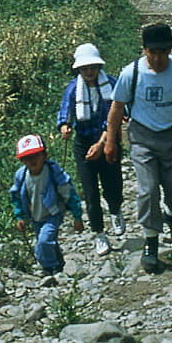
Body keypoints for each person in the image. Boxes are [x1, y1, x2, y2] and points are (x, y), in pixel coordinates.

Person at [103, 22, 172, 275]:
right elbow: (116, 107)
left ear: (170, 49)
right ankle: (151, 242)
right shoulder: (131, 73)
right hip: (142, 137)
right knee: (148, 191)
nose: (158, 58)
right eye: (153, 52)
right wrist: (110, 141)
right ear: (144, 50)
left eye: (163, 52)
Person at [56, 42, 125, 255]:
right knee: (90, 191)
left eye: (92, 67)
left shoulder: (112, 84)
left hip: (109, 140)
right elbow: (65, 111)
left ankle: (115, 209)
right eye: (84, 68)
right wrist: (64, 126)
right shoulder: (72, 88)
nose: (89, 72)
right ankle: (99, 233)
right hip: (83, 144)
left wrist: (103, 142)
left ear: (99, 66)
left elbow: (116, 116)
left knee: (113, 184)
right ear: (78, 69)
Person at [9, 133, 85, 279]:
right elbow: (16, 196)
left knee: (43, 241)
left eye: (35, 155)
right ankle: (59, 262)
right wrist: (20, 216)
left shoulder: (52, 172)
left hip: (53, 213)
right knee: (48, 241)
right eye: (27, 158)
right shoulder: (22, 176)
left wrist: (77, 216)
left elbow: (68, 192)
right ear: (22, 161)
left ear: (44, 155)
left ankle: (50, 268)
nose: (32, 161)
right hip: (35, 216)